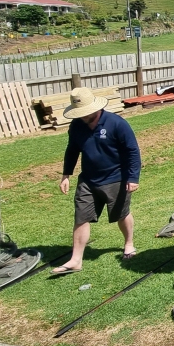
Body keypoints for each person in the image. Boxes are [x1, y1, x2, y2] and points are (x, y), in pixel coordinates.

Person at [53, 87, 141, 275]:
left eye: (85, 113)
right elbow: (72, 149)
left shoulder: (117, 123)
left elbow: (132, 150)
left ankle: (129, 244)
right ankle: (76, 260)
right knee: (81, 217)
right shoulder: (76, 125)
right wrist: (66, 175)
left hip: (117, 178)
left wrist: (133, 177)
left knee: (121, 214)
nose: (83, 117)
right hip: (88, 180)